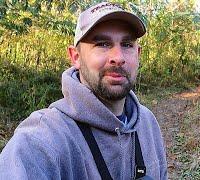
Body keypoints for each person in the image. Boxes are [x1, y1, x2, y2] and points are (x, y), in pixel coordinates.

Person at [0, 2, 167, 180]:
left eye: (127, 45)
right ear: (76, 57)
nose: (118, 58)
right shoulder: (42, 139)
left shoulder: (147, 123)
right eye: (102, 44)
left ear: (138, 54)